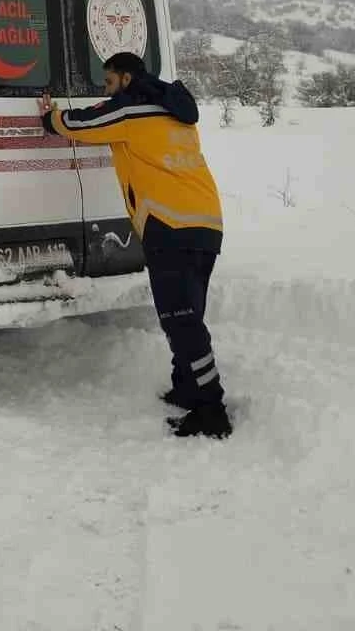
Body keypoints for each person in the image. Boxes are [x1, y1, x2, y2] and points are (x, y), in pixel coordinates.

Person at [40, 51, 232, 439]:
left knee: (181, 320)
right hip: (206, 221)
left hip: (170, 223)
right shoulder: (172, 107)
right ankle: (188, 388)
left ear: (126, 79)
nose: (106, 91)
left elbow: (85, 123)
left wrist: (50, 118)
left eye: (109, 82)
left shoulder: (131, 111)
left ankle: (211, 409)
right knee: (186, 312)